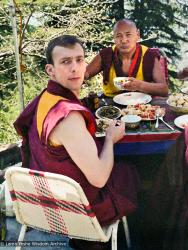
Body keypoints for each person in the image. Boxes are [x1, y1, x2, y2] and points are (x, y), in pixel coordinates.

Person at [14, 35, 139, 250]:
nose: (75, 68)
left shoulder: (45, 98)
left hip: (45, 196)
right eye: (65, 62)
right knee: (131, 173)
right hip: (76, 209)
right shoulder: (68, 116)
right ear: (50, 70)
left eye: (79, 60)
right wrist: (110, 138)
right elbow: (99, 179)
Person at [85, 19, 168, 97]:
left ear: (138, 35)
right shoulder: (105, 55)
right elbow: (84, 74)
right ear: (113, 37)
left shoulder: (149, 55)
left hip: (141, 107)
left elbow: (164, 90)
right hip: (111, 106)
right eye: (118, 35)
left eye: (128, 35)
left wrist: (140, 85)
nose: (124, 40)